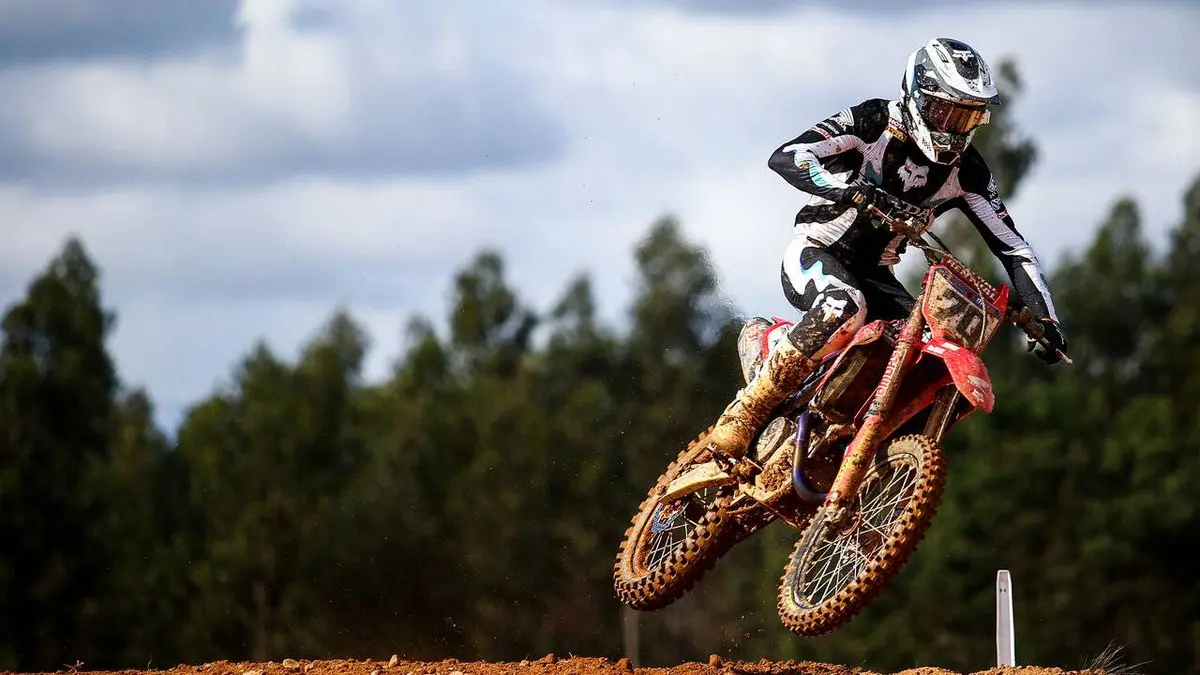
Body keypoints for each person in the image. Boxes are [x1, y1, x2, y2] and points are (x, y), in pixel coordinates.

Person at [706, 37, 1069, 460]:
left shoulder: (967, 172)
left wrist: (1045, 318)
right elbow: (788, 155)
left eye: (968, 117)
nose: (954, 129)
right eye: (946, 112)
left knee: (924, 353)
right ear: (918, 97)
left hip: (877, 276)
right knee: (845, 306)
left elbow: (1014, 247)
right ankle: (748, 408)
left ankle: (867, 462)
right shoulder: (873, 121)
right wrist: (849, 189)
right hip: (816, 250)